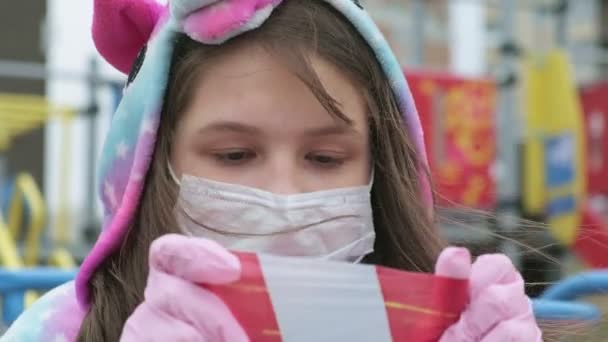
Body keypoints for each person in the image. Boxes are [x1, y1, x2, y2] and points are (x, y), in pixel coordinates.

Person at [1, 0, 541, 341]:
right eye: (234, 155)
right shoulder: (56, 332)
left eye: (325, 159)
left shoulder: (449, 330)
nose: (284, 197)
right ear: (149, 168)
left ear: (379, 173)